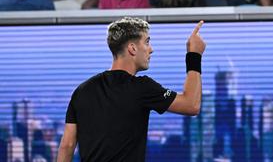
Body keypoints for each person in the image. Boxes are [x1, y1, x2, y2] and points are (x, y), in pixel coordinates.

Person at [56, 17, 206, 161]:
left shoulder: (82, 90)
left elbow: (67, 146)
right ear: (132, 48)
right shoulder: (142, 88)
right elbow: (191, 105)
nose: (151, 49)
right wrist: (194, 55)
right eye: (147, 42)